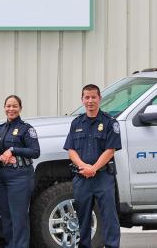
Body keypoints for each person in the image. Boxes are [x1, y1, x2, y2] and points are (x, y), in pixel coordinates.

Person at [63, 84, 121, 248]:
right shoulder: (76, 123)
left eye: (93, 97)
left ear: (99, 99)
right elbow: (71, 150)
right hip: (82, 178)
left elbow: (110, 150)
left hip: (103, 177)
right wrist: (84, 167)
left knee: (109, 217)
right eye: (86, 97)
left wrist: (93, 168)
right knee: (83, 218)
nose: (90, 101)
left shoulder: (110, 122)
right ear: (82, 100)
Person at [0, 95, 40, 248]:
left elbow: (35, 151)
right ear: (4, 108)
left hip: (20, 176)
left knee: (19, 218)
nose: (11, 109)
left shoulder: (26, 129)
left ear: (20, 108)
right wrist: (1, 157)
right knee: (6, 216)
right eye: (8, 106)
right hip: (3, 176)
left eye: (14, 106)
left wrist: (13, 150)